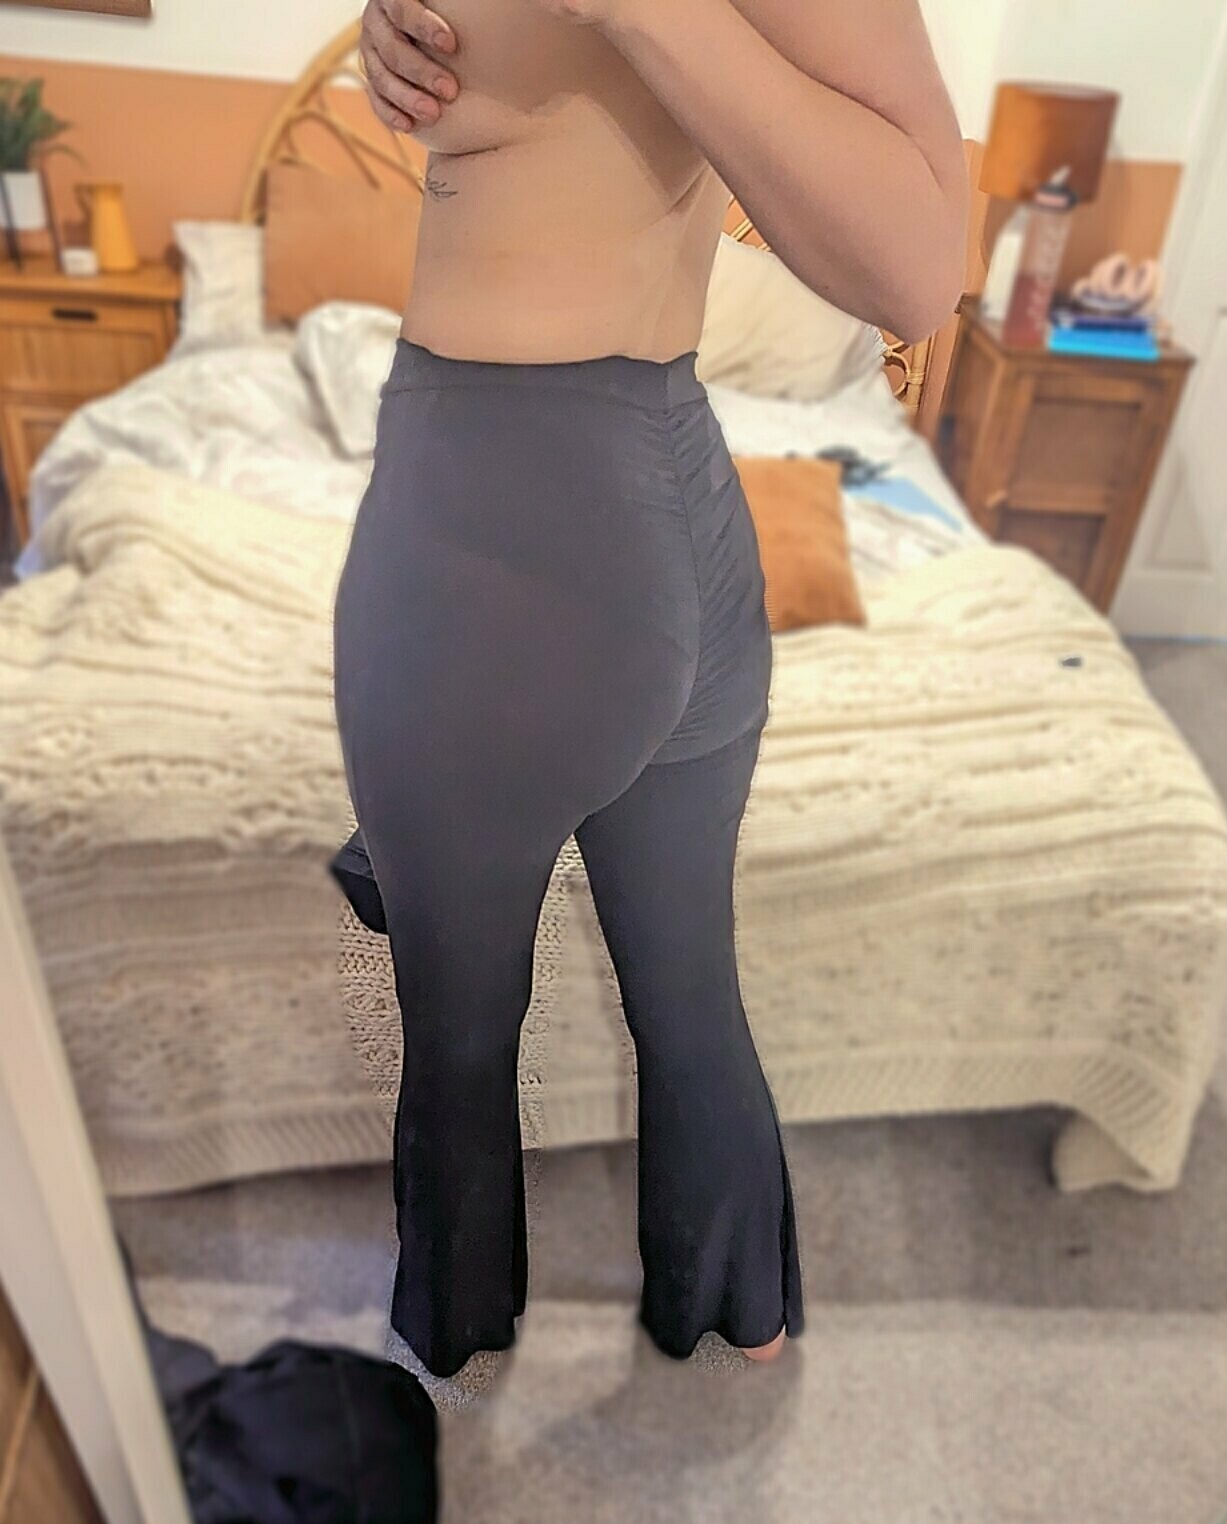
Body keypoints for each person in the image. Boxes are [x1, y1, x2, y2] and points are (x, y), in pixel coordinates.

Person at [334, 0, 967, 1380]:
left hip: (490, 522)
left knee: (457, 1030)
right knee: (687, 988)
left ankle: (458, 1331)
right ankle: (741, 1302)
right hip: (674, 506)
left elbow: (923, 268)